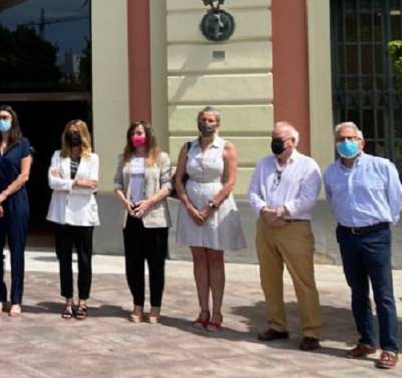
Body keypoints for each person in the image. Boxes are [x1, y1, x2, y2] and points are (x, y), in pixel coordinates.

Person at [324, 121, 402, 370]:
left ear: (361, 142)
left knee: (383, 294)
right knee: (357, 292)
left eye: (351, 138)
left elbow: (397, 199)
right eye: (341, 139)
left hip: (376, 236)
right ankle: (366, 341)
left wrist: (382, 225)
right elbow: (331, 200)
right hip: (347, 236)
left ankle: (390, 348)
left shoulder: (381, 166)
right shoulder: (331, 172)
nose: (346, 143)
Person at [247, 122, 323, 351]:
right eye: (273, 137)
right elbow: (252, 192)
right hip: (266, 227)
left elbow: (307, 198)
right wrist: (264, 211)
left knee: (303, 281)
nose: (275, 141)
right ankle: (277, 325)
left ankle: (311, 331)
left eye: (279, 137)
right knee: (268, 278)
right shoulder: (264, 164)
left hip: (294, 227)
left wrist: (281, 211)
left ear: (292, 141)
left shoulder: (308, 166)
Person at [174, 107, 246, 330]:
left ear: (218, 124)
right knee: (198, 258)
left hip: (216, 206)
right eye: (202, 119)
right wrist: (189, 206)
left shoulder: (227, 147)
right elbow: (178, 180)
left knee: (215, 258)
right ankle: (203, 309)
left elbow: (230, 182)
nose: (206, 123)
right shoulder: (188, 147)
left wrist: (210, 207)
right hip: (191, 206)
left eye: (210, 120)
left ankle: (217, 312)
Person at [113, 121, 173, 324]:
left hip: (154, 218)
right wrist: (125, 202)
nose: (136, 136)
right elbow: (117, 185)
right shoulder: (125, 158)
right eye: (133, 133)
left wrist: (148, 203)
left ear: (148, 134)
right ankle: (137, 304)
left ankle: (155, 307)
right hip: (131, 217)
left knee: (156, 265)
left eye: (139, 132)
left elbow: (167, 186)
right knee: (133, 265)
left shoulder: (161, 157)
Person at [0, 105, 32, 317]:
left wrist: (3, 195)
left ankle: (17, 299)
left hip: (16, 202)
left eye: (5, 117)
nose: (2, 120)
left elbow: (24, 175)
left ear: (13, 120)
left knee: (16, 251)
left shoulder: (23, 145)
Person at [47, 119, 99, 321]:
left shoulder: (92, 158)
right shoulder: (57, 156)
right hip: (61, 216)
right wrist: (77, 182)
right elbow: (52, 182)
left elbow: (93, 186)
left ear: (83, 135)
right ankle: (68, 301)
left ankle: (83, 301)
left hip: (84, 215)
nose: (73, 135)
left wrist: (66, 183)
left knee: (85, 260)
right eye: (70, 132)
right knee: (64, 260)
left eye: (76, 132)